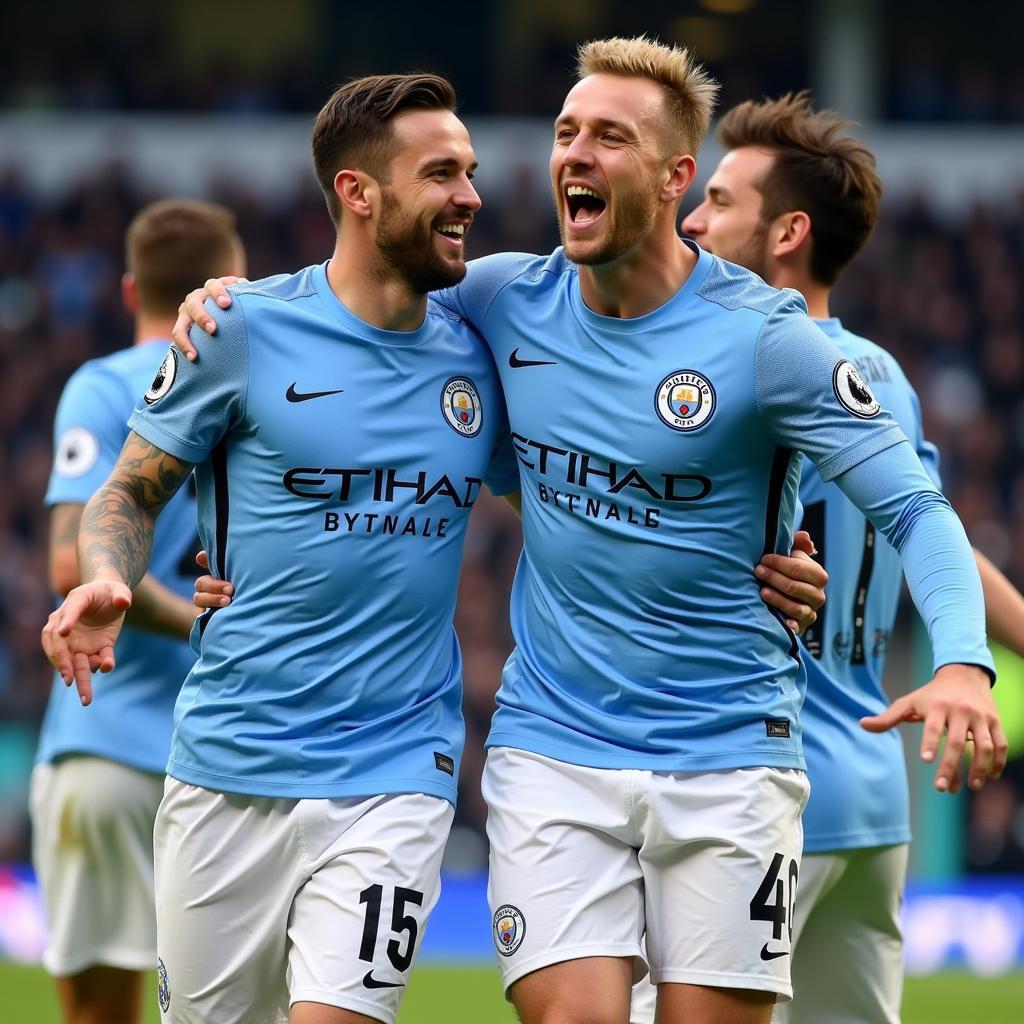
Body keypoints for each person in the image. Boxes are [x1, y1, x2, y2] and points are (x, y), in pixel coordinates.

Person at [170, 37, 1005, 1024]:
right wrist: (226, 300)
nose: (575, 153)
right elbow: (352, 302)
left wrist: (962, 662)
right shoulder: (498, 300)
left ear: (673, 174)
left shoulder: (767, 337)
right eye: (567, 132)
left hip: (731, 749)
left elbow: (913, 508)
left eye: (610, 136)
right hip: (552, 744)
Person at [42, 73, 523, 1024]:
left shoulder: (484, 352)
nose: (471, 196)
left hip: (395, 771)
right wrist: (105, 575)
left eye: (469, 172)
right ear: (358, 192)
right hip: (229, 765)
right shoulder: (238, 329)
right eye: (441, 174)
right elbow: (129, 492)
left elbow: (580, 498)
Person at [671, 92, 1024, 1024]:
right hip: (872, 793)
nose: (691, 220)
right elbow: (929, 529)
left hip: (761, 787)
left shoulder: (741, 369)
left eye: (718, 200)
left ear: (788, 232)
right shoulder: (881, 373)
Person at [31, 198, 245, 1024]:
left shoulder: (102, 385)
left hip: (106, 742)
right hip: (237, 755)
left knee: (101, 1014)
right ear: (234, 284)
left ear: (129, 290)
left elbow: (63, 561)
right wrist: (202, 623)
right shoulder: (264, 375)